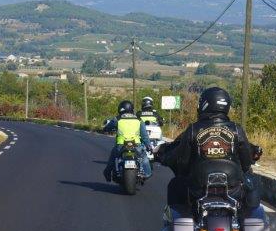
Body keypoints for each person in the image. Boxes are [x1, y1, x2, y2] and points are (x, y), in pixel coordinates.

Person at [155, 86, 264, 220]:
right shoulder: (236, 129)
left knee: (175, 184)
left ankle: (180, 222)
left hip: (199, 189)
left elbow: (183, 162)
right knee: (253, 181)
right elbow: (246, 164)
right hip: (233, 189)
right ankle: (249, 221)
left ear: (205, 104)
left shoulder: (193, 129)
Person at [103, 100, 153, 182]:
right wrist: (149, 146)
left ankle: (107, 173)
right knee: (144, 157)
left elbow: (107, 128)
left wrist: (105, 129)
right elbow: (144, 136)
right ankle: (147, 173)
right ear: (131, 109)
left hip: (120, 146)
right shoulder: (139, 120)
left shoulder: (117, 119)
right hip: (136, 145)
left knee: (113, 157)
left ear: (121, 109)